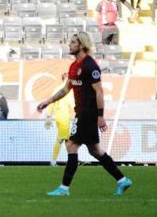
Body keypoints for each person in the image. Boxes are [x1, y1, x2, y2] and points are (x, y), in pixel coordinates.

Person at [37, 32, 132, 196]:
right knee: (94, 150)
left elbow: (99, 92)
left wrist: (100, 116)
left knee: (71, 145)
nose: (70, 45)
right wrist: (48, 101)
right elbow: (66, 89)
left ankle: (64, 188)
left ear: (81, 45)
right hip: (81, 111)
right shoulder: (74, 66)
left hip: (88, 112)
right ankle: (122, 180)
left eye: (73, 42)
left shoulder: (90, 65)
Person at [44, 72, 74, 166]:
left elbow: (52, 101)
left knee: (66, 139)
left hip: (59, 116)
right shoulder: (67, 89)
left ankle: (72, 159)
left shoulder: (57, 89)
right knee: (61, 139)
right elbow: (72, 103)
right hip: (64, 116)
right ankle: (54, 161)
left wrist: (49, 115)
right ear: (67, 79)